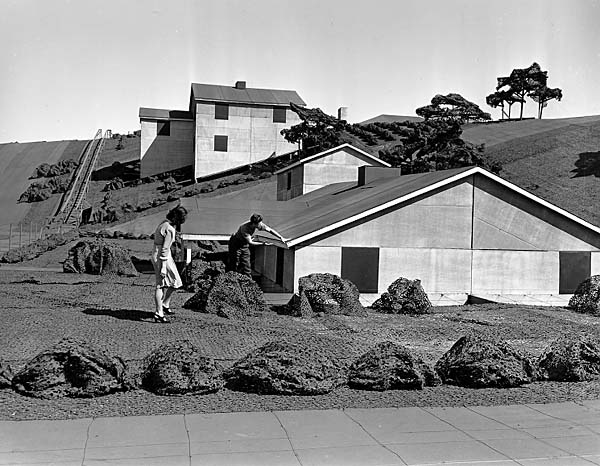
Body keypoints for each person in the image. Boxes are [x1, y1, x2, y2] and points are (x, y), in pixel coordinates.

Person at [151, 205, 188, 323]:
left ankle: (165, 304)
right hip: (162, 258)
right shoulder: (169, 229)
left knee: (175, 282)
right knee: (160, 285)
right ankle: (159, 313)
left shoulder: (164, 223)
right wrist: (162, 267)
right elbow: (164, 250)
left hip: (161, 255)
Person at [227, 213, 286, 278]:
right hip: (235, 244)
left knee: (247, 264)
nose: (261, 224)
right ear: (254, 224)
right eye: (259, 223)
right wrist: (263, 244)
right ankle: (231, 278)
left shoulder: (259, 225)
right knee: (234, 262)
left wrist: (280, 237)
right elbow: (250, 242)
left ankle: (248, 281)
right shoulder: (244, 228)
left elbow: (270, 230)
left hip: (244, 245)